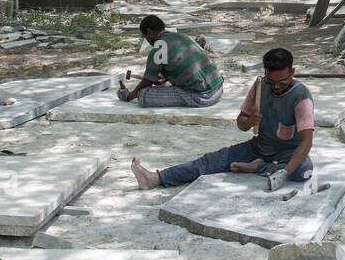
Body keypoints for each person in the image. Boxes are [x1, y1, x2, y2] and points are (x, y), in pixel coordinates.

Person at [130, 47, 312, 188]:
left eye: (282, 82)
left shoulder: (301, 96)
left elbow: (306, 142)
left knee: (302, 171)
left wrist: (284, 173)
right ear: (265, 73)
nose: (277, 87)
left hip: (287, 153)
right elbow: (241, 124)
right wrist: (250, 121)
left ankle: (260, 167)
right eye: (271, 81)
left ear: (292, 72)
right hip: (258, 148)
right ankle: (155, 178)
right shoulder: (260, 86)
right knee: (210, 161)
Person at [118, 14, 225, 107]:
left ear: (149, 32)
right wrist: (166, 78)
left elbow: (147, 83)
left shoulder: (158, 49)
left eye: (145, 36)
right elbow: (183, 65)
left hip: (203, 97)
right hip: (218, 89)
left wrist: (128, 96)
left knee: (143, 94)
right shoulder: (182, 36)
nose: (147, 40)